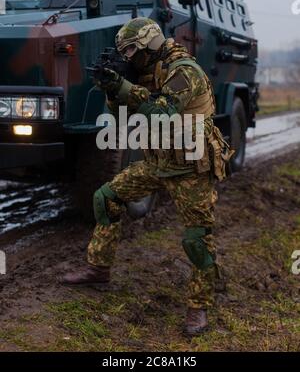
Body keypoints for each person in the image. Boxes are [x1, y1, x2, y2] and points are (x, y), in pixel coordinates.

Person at [61, 17, 234, 336]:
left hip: (190, 166)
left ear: (149, 45)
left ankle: (199, 307)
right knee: (107, 198)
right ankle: (98, 269)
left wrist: (125, 88)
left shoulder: (184, 71)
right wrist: (113, 91)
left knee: (197, 238)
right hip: (157, 161)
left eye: (130, 51)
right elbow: (121, 119)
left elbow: (161, 112)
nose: (127, 57)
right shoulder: (144, 71)